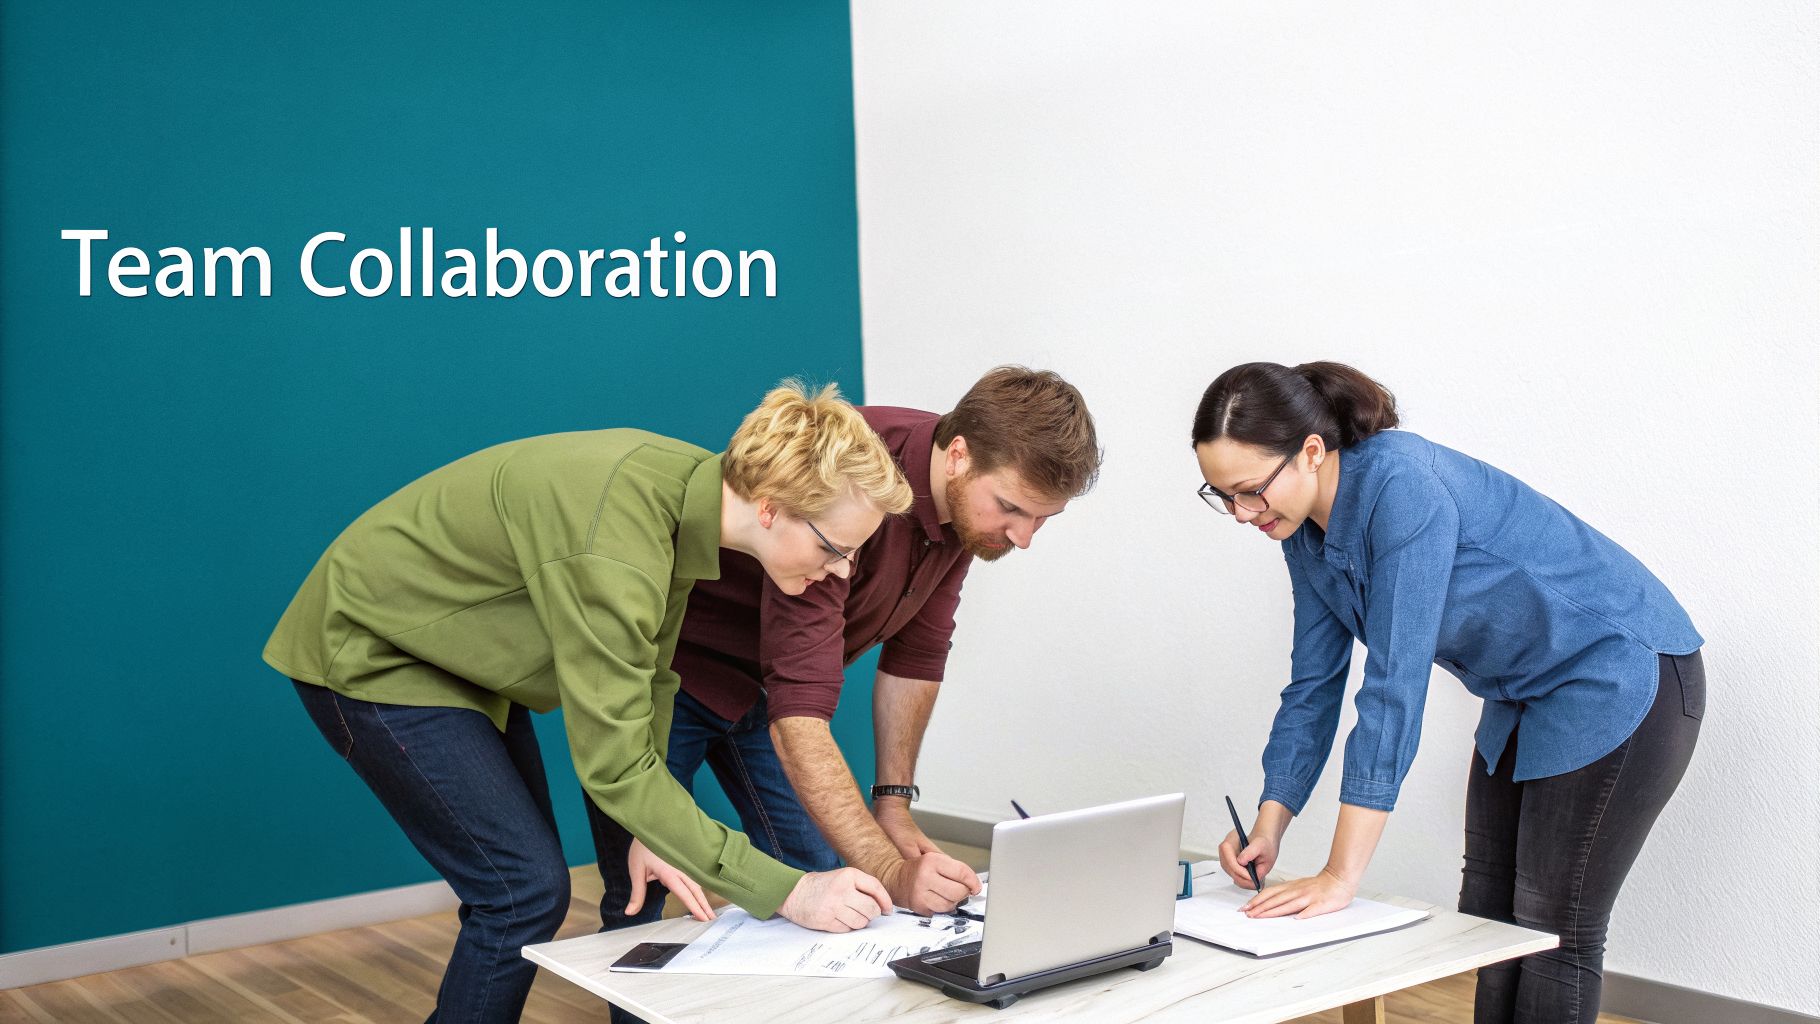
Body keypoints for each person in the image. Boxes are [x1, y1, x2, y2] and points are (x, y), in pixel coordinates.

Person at [265, 382, 909, 1024]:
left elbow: (653, 677)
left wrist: (650, 829)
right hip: (374, 651)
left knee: (519, 890)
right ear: (771, 508)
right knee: (520, 893)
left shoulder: (686, 495)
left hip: (458, 661)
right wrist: (788, 890)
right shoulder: (618, 543)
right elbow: (617, 766)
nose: (845, 572)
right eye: (835, 548)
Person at [1195, 361, 1703, 1024]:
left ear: (1311, 452)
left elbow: (1394, 688)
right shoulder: (1298, 530)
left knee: (1553, 931)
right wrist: (1271, 822)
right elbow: (1313, 688)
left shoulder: (1402, 485)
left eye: (1248, 491)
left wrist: (1341, 876)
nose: (1240, 514)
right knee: (1487, 923)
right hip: (1522, 693)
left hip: (1620, 671)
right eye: (1221, 495)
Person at [593, 366, 1102, 941]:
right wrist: (890, 868)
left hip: (759, 694)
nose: (1024, 537)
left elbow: (918, 654)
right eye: (1012, 508)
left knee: (824, 884)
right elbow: (800, 710)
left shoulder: (965, 513)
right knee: (643, 892)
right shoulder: (851, 481)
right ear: (959, 455)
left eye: (1042, 519)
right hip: (674, 679)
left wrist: (892, 804)